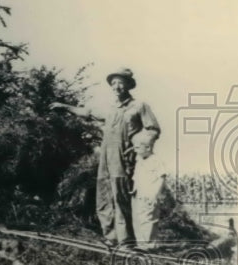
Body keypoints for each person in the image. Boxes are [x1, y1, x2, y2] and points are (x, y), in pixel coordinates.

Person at [52, 68, 161, 248]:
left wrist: (138, 146)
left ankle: (126, 241)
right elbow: (87, 112)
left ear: (128, 85)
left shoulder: (139, 106)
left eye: (120, 83)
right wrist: (64, 107)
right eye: (113, 83)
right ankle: (110, 238)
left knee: (121, 196)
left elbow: (153, 129)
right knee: (104, 196)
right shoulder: (109, 108)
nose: (117, 87)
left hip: (124, 158)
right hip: (106, 158)